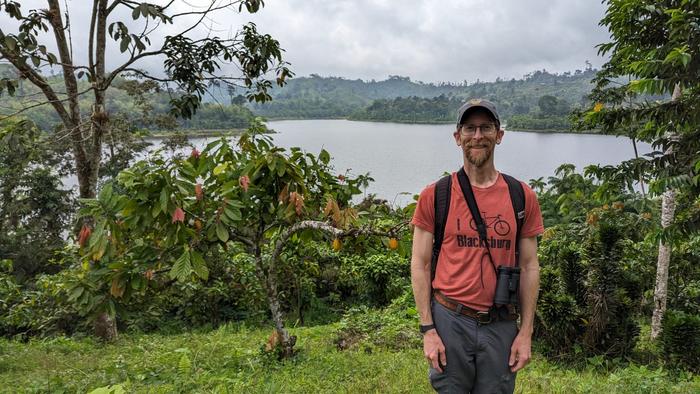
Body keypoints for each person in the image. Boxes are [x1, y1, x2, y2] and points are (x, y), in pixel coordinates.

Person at [410, 99, 544, 393]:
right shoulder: (436, 195)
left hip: (500, 323)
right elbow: (420, 264)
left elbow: (529, 265)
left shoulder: (521, 196)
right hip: (450, 320)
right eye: (469, 128)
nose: (478, 135)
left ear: (499, 135)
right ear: (458, 137)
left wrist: (525, 332)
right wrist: (428, 329)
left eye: (486, 127)